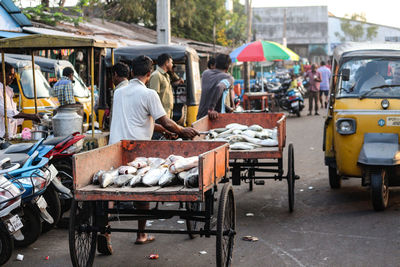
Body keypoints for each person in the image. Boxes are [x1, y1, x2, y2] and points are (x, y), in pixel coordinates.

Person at [99, 55, 199, 255]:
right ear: (148, 73)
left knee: (107, 191)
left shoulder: (119, 93)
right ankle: (141, 234)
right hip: (138, 153)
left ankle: (104, 230)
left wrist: (164, 130)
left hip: (114, 151)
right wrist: (182, 131)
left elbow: (139, 119)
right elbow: (166, 121)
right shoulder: (150, 94)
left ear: (132, 71)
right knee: (143, 191)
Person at [0, 62, 40, 137]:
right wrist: (31, 116)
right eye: (10, 75)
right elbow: (8, 113)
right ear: (1, 74)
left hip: (9, 135)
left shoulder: (7, 90)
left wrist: (31, 118)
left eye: (13, 75)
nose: (13, 78)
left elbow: (13, 119)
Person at [197, 54, 235, 120]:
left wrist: (228, 109)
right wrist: (211, 109)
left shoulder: (205, 74)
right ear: (228, 67)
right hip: (215, 118)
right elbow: (219, 87)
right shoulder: (229, 78)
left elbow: (210, 95)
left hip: (201, 117)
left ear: (216, 63)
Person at [149, 53, 174, 118]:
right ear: (166, 63)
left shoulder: (166, 76)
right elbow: (153, 97)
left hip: (167, 114)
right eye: (171, 62)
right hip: (160, 117)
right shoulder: (156, 75)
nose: (172, 65)